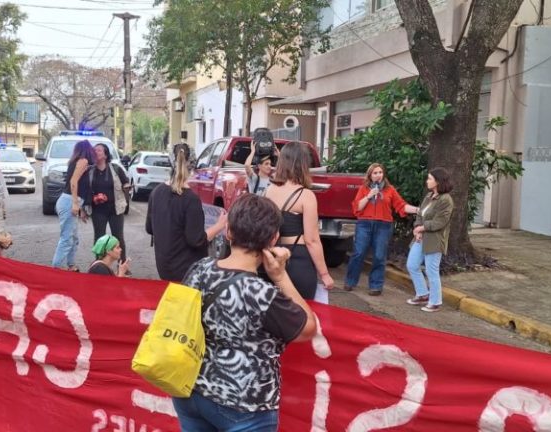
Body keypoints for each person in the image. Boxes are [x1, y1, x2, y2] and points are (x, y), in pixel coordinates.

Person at [174, 193, 316, 431]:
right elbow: (308, 328)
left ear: (228, 232)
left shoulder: (200, 269)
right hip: (244, 403)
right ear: (274, 239)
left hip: (191, 388)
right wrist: (280, 276)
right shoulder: (262, 294)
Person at [263, 141, 334, 300]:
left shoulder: (269, 191)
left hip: (273, 258)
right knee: (301, 314)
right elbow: (312, 240)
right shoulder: (306, 196)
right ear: (302, 164)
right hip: (299, 261)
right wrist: (324, 274)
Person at [146, 143, 226, 281]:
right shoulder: (191, 199)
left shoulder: (156, 192)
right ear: (192, 165)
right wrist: (219, 226)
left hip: (163, 267)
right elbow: (196, 240)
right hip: (186, 271)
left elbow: (150, 228)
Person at [344, 163, 418, 295]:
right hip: (365, 224)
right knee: (359, 253)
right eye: (375, 173)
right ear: (370, 176)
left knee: (379, 255)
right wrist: (369, 196)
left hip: (383, 225)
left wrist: (418, 210)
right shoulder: (364, 189)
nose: (378, 175)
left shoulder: (390, 190)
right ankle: (350, 281)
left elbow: (401, 205)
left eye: (380, 172)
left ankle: (376, 286)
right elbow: (357, 207)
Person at [406, 167, 454, 313]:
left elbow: (440, 222)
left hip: (434, 239)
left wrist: (422, 228)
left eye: (429, 179)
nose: (427, 181)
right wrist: (417, 228)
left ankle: (435, 301)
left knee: (431, 270)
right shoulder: (429, 196)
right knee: (412, 265)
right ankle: (422, 294)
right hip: (421, 237)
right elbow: (420, 213)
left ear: (437, 181)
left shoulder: (446, 200)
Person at [52, 140, 95, 271]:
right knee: (67, 238)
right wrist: (75, 203)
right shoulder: (83, 161)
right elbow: (73, 182)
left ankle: (71, 265)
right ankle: (56, 268)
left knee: (74, 238)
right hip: (69, 201)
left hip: (69, 201)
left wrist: (80, 208)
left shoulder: (76, 162)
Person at [88, 144, 129, 261]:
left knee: (118, 237)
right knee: (99, 237)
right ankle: (99, 263)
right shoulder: (90, 171)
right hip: (98, 211)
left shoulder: (116, 169)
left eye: (99, 150)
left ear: (105, 155)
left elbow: (125, 182)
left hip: (115, 209)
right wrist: (94, 198)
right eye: (94, 150)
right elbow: (85, 190)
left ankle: (122, 264)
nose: (95, 152)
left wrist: (126, 187)